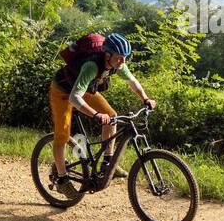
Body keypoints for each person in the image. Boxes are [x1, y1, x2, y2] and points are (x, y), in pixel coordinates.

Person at [49, 32, 155, 195]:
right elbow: (74, 98)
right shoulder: (91, 66)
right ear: (107, 54)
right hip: (63, 91)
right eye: (120, 57)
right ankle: (62, 179)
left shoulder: (117, 63)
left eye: (125, 57)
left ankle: (107, 163)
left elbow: (132, 81)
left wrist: (145, 98)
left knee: (111, 116)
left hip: (83, 90)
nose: (123, 61)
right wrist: (95, 115)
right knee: (62, 133)